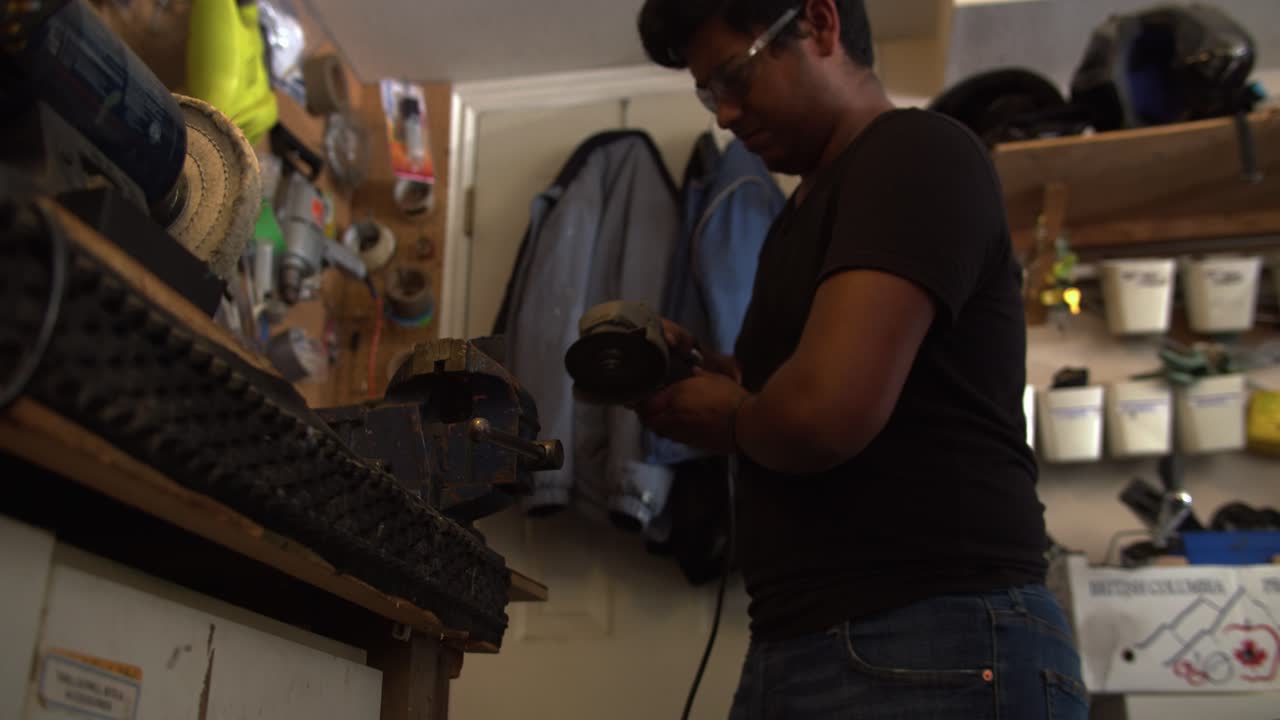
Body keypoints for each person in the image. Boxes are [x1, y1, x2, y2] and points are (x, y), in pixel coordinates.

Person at [633, 1, 1088, 718]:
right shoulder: (799, 219)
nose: (725, 114)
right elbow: (798, 393)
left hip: (929, 633)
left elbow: (821, 415)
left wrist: (735, 418)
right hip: (818, 637)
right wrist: (716, 380)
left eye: (733, 78)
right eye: (708, 94)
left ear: (819, 24)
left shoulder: (913, 152)